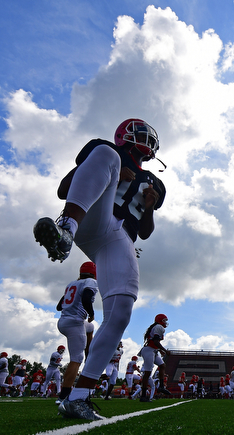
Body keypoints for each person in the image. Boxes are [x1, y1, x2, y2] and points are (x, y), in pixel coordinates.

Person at [33, 118, 165, 420]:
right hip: (93, 218)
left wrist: (148, 206)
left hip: (121, 238)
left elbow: (145, 232)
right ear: (125, 134)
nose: (145, 138)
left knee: (120, 313)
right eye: (139, 132)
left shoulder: (156, 185)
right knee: (107, 155)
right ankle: (65, 229)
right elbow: (63, 189)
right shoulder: (108, 151)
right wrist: (116, 178)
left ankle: (78, 398)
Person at [56, 261, 98, 403]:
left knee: (90, 328)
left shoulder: (72, 284)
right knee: (76, 359)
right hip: (74, 322)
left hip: (63, 321)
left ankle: (89, 356)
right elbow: (86, 297)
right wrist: (91, 313)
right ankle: (63, 395)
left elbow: (59, 306)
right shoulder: (91, 281)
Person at [138, 314, 172, 402]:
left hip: (153, 350)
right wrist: (164, 350)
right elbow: (156, 341)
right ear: (160, 320)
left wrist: (159, 350)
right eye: (164, 320)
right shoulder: (159, 327)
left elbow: (154, 341)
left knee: (162, 365)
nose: (165, 322)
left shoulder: (157, 327)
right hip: (149, 350)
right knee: (147, 373)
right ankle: (143, 396)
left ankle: (161, 386)